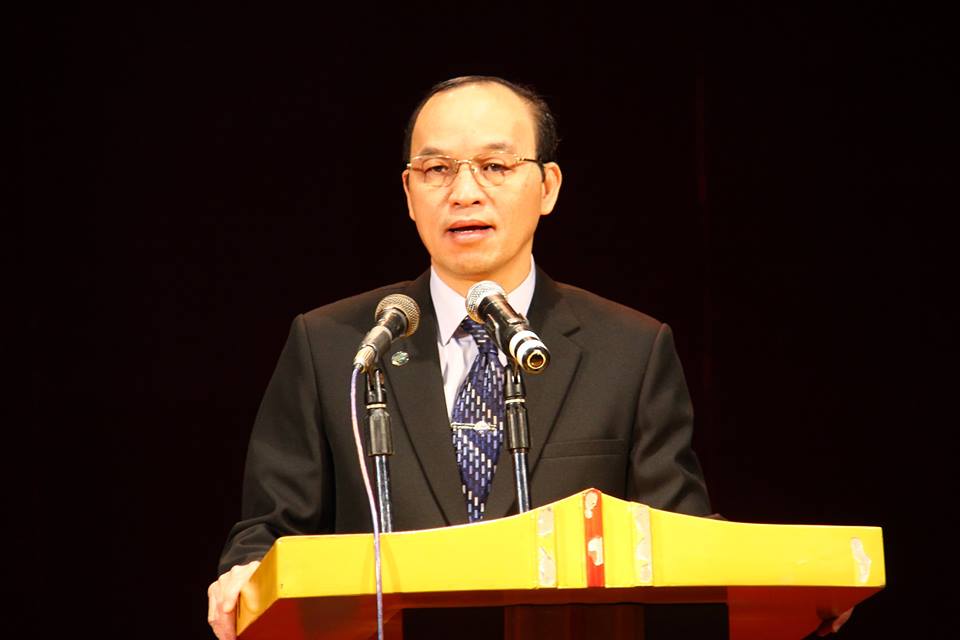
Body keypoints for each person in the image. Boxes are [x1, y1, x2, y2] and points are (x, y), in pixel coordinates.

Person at [207, 76, 712, 640]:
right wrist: (246, 572)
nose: (464, 192)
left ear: (548, 187)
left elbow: (684, 543)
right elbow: (269, 533)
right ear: (409, 192)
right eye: (437, 169)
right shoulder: (335, 343)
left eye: (495, 166)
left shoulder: (629, 349)